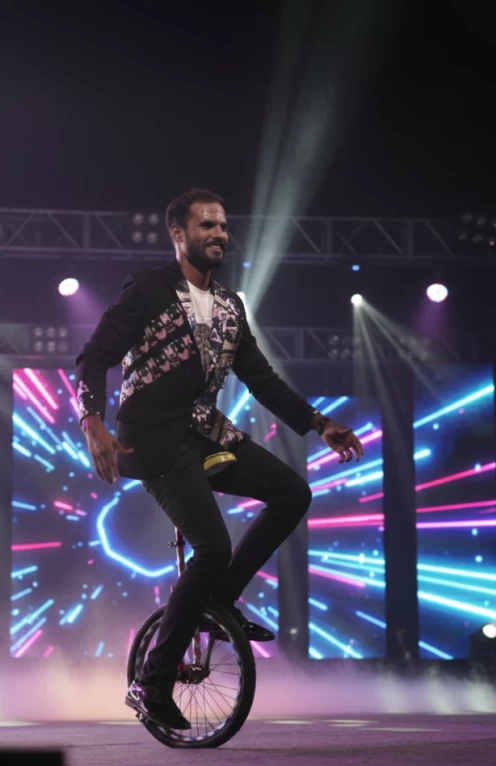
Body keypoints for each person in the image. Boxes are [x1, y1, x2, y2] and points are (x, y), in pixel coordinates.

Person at [75, 188, 365, 730]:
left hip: (205, 432)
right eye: (207, 225)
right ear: (178, 234)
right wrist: (92, 421)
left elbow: (261, 379)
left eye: (224, 227)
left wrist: (318, 422)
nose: (219, 235)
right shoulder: (149, 289)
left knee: (293, 493)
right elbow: (94, 357)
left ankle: (220, 604)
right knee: (212, 548)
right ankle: (152, 682)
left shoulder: (231, 306)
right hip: (153, 440)